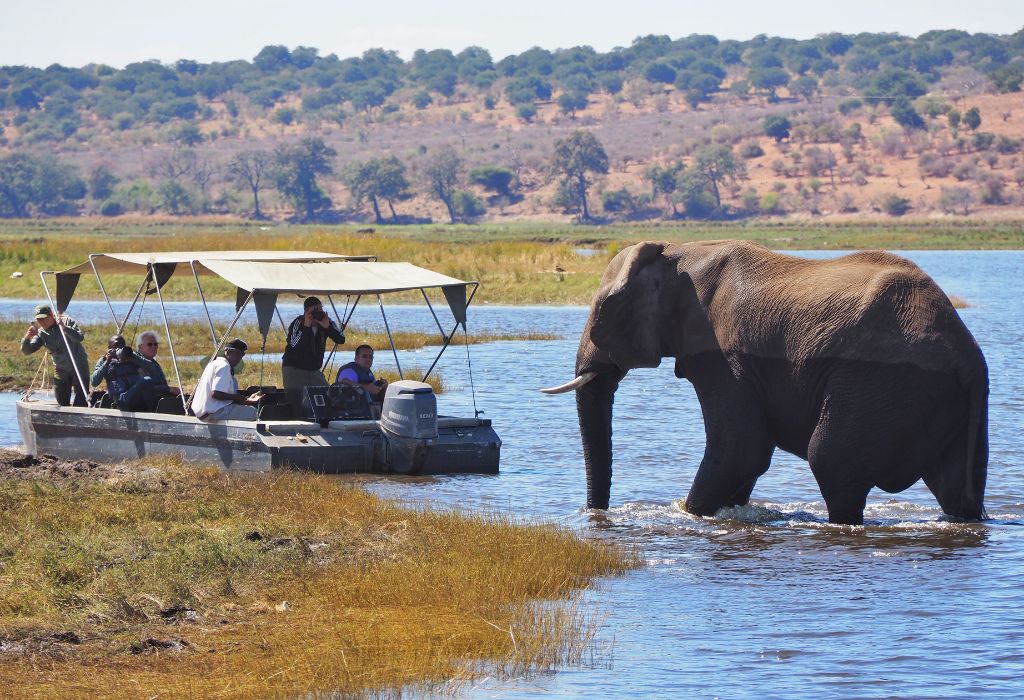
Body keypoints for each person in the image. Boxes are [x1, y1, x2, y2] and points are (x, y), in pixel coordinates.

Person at [281, 296, 345, 411]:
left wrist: (328, 327)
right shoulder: (298, 323)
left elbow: (341, 339)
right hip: (294, 369)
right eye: (314, 311)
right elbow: (294, 346)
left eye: (320, 310)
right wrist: (306, 326)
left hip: (314, 370)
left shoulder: (326, 322)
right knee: (296, 401)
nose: (317, 314)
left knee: (327, 395)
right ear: (306, 312)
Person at [20, 304, 90, 407]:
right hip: (61, 370)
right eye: (38, 320)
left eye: (43, 318)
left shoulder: (66, 321)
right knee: (62, 402)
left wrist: (64, 328)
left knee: (81, 401)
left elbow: (79, 338)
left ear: (51, 315)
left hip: (79, 367)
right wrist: (27, 337)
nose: (41, 322)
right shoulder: (41, 333)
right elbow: (27, 351)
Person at [192, 338, 264, 422]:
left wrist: (246, 399)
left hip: (203, 412)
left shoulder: (213, 363)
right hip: (212, 413)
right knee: (252, 412)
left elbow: (220, 395)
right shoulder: (224, 366)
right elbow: (216, 394)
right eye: (237, 354)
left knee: (244, 410)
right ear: (228, 352)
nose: (239, 359)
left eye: (241, 355)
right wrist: (237, 397)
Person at [90, 335, 158, 412]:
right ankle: (152, 412)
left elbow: (153, 368)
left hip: (136, 395)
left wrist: (135, 358)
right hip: (121, 399)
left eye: (122, 344)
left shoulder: (132, 356)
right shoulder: (104, 360)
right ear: (109, 348)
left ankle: (152, 413)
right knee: (147, 380)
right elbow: (94, 382)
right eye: (116, 346)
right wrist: (107, 362)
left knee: (149, 382)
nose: (120, 347)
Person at [335, 344, 388, 410]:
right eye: (364, 356)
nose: (368, 359)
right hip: (352, 412)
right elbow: (343, 382)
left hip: (369, 410)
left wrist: (382, 387)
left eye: (370, 357)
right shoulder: (350, 370)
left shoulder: (367, 372)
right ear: (356, 358)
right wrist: (366, 388)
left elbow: (373, 389)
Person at [136, 330, 180, 397]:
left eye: (155, 344)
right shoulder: (138, 363)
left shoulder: (154, 363)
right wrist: (168, 389)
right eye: (149, 344)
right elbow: (146, 387)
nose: (153, 347)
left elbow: (162, 385)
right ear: (140, 346)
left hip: (160, 398)